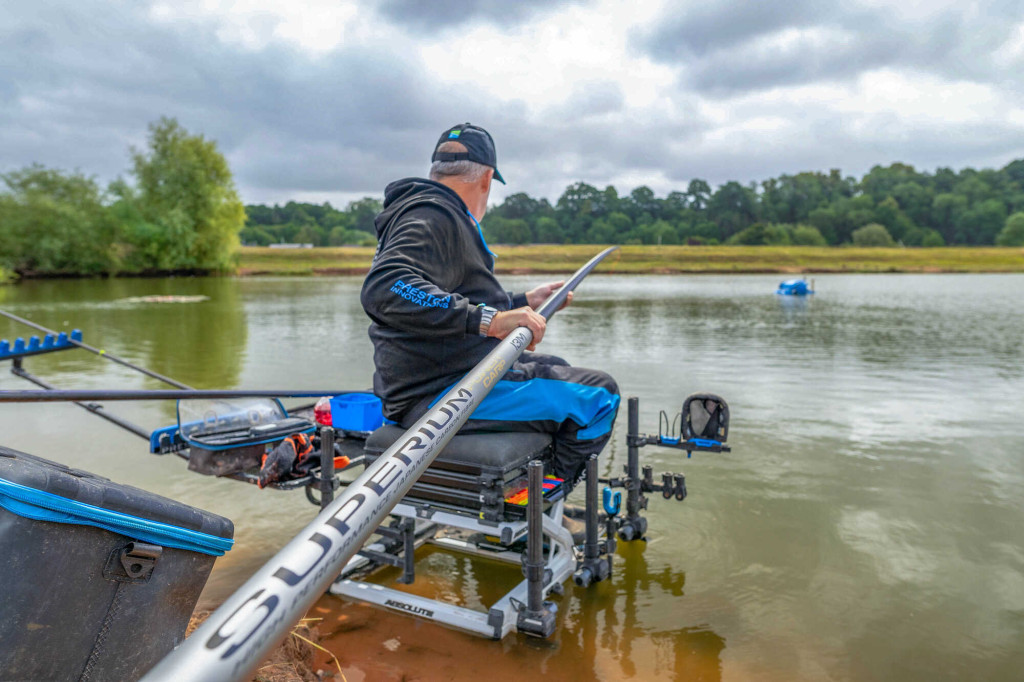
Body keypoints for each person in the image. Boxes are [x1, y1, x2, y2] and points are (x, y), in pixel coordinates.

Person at [360, 122, 619, 487]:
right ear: (486, 179)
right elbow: (387, 287)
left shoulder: (430, 212)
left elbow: (453, 299)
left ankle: (532, 489)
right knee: (600, 395)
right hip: (441, 393)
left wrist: (523, 302)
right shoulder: (433, 215)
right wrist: (491, 320)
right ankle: (540, 502)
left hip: (445, 375)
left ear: (437, 171)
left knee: (557, 366)